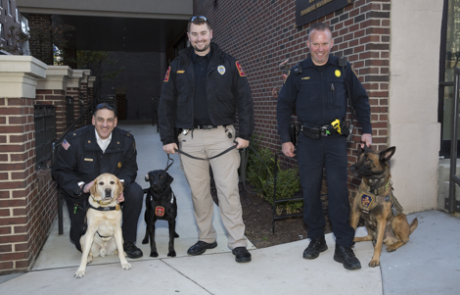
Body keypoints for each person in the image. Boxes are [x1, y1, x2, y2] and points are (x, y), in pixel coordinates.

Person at [276, 22, 372, 270]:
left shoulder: (342, 68)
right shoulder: (298, 72)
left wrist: (367, 131)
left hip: (336, 141)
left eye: (324, 43)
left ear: (332, 44)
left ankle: (343, 245)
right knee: (310, 191)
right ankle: (317, 238)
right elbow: (284, 106)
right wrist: (286, 139)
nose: (320, 49)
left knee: (339, 193)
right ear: (308, 44)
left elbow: (360, 99)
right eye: (315, 43)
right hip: (307, 141)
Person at [158, 16, 254, 263]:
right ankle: (206, 238)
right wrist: (168, 138)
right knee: (199, 194)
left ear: (211, 34)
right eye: (194, 34)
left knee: (228, 191)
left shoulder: (229, 63)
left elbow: (244, 99)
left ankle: (238, 243)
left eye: (203, 33)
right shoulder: (177, 64)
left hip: (222, 137)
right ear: (189, 37)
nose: (199, 38)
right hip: (190, 139)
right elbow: (166, 103)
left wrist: (245, 134)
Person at [52, 103, 144, 259]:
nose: (105, 125)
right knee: (80, 241)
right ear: (93, 120)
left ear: (115, 122)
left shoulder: (126, 140)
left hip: (112, 187)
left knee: (135, 192)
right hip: (83, 191)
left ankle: (127, 241)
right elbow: (60, 170)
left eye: (109, 120)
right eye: (100, 119)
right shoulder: (74, 140)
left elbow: (130, 169)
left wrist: (119, 187)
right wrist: (81, 186)